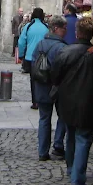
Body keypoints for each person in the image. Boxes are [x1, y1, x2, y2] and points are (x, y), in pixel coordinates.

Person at [51, 17, 93, 185]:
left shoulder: (65, 52)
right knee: (83, 139)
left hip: (68, 102)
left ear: (76, 33)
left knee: (71, 136)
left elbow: (55, 77)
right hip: (89, 102)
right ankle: (78, 178)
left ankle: (72, 169)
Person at [31, 15, 68, 161]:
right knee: (63, 117)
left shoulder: (40, 44)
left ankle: (42, 151)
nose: (66, 31)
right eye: (64, 29)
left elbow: (34, 63)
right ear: (56, 29)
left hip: (41, 86)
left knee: (44, 118)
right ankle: (58, 145)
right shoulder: (62, 47)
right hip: (58, 87)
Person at [18, 8, 49, 109]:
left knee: (33, 79)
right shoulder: (46, 27)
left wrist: (21, 55)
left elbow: (21, 42)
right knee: (44, 79)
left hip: (31, 57)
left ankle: (35, 102)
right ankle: (43, 99)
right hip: (44, 56)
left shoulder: (28, 26)